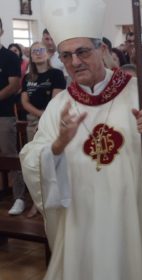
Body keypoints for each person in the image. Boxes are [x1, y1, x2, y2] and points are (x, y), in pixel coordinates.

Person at [20, 0, 142, 280]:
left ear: (102, 49)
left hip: (131, 217)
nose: (75, 62)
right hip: (80, 219)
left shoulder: (141, 92)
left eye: (83, 52)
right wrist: (58, 145)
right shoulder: (58, 106)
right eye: (66, 55)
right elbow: (33, 161)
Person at [21, 41, 66, 217]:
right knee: (34, 162)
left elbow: (56, 100)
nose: (38, 53)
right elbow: (24, 102)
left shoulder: (56, 74)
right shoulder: (28, 78)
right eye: (34, 51)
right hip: (33, 122)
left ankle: (54, 199)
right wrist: (39, 115)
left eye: (41, 50)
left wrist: (45, 117)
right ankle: (36, 202)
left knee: (50, 161)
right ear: (30, 56)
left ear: (47, 53)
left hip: (52, 121)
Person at [0, 17, 27, 216]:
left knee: (10, 156)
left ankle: (19, 197)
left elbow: (14, 85)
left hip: (4, 115)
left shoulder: (9, 56)